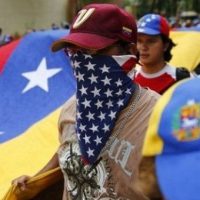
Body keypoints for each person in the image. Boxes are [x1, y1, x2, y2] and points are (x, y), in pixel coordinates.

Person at [12, 4, 160, 200]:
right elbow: (68, 147)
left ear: (130, 50)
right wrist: (38, 181)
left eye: (93, 52)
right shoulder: (71, 108)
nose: (82, 62)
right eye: (75, 52)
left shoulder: (159, 117)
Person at [131, 13, 191, 95]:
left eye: (150, 41)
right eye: (139, 41)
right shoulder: (129, 78)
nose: (143, 47)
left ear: (165, 45)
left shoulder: (182, 80)